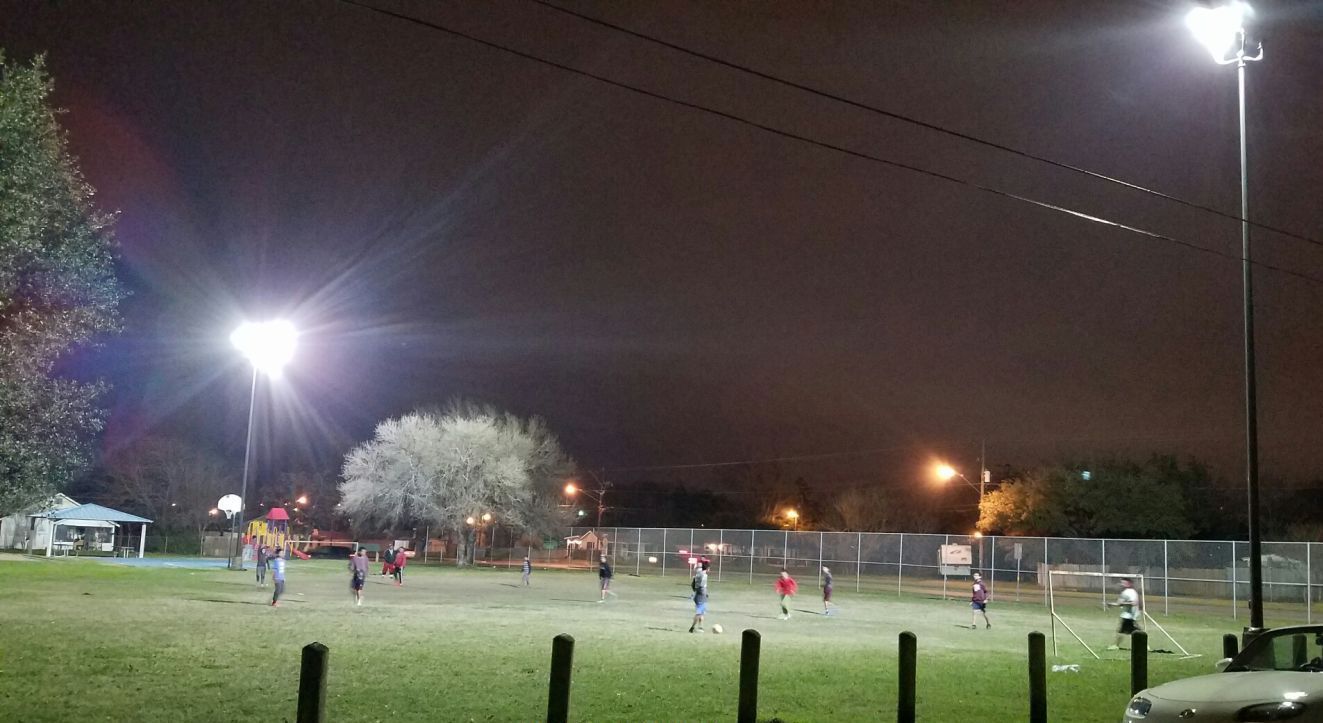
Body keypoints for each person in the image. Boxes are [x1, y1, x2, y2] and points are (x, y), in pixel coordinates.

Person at [1107, 577, 1141, 650]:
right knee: (1135, 631)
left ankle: (1116, 645)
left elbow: (1133, 603)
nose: (1122, 584)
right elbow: (1120, 603)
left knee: (1122, 631)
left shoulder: (1128, 592)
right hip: (1130, 615)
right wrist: (1112, 604)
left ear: (1129, 584)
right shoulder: (1130, 592)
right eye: (1121, 582)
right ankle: (1144, 646)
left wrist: (1122, 603)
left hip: (1128, 616)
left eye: (1123, 583)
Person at [689, 559, 710, 633]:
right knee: (699, 613)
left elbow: (693, 584)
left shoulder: (698, 573)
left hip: (699, 595)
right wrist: (703, 592)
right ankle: (692, 628)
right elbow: (702, 586)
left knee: (701, 612)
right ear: (707, 569)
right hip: (701, 596)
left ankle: (700, 627)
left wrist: (695, 590)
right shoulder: (704, 575)